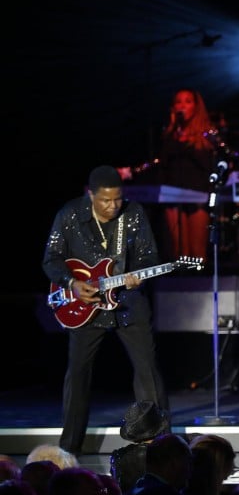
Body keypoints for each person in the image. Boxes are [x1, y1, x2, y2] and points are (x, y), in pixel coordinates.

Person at [42, 165, 169, 456]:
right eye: (105, 200)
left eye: (117, 199)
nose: (113, 206)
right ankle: (68, 448)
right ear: (91, 195)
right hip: (85, 305)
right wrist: (71, 282)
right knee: (78, 374)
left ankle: (160, 447)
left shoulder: (134, 214)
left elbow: (150, 255)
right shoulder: (70, 214)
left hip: (128, 302)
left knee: (147, 371)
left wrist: (138, 275)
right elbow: (51, 260)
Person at [156, 88, 218, 261]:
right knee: (177, 252)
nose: (182, 105)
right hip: (172, 196)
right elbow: (162, 165)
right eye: (178, 102)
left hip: (198, 195)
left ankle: (198, 284)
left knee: (197, 254)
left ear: (196, 107)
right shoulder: (169, 136)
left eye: (187, 101)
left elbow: (210, 165)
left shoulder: (207, 136)